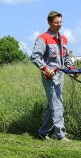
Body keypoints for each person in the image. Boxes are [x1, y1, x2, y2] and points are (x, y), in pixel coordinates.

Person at [31, 10, 76, 141]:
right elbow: (35, 57)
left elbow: (66, 56)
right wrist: (45, 69)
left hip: (60, 75)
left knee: (53, 104)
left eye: (60, 22)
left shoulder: (63, 39)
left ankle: (43, 132)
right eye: (56, 22)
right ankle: (60, 135)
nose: (59, 25)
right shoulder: (43, 38)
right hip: (49, 76)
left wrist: (72, 68)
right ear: (49, 22)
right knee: (57, 104)